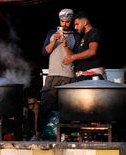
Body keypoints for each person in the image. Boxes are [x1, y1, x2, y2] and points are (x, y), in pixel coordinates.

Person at [36, 8, 79, 140]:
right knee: (45, 105)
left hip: (69, 76)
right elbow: (44, 52)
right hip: (53, 75)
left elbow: (76, 57)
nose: (65, 24)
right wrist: (53, 40)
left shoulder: (76, 36)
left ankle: (67, 135)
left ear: (71, 21)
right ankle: (40, 134)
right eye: (62, 21)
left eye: (67, 21)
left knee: (68, 107)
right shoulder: (51, 33)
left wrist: (66, 45)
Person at [63, 11, 104, 80]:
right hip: (82, 77)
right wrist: (65, 46)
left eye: (77, 24)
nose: (75, 27)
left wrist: (72, 57)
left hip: (92, 76)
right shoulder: (84, 36)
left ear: (85, 22)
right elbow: (76, 57)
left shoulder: (94, 32)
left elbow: (92, 51)